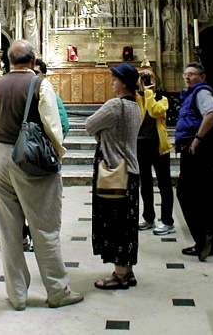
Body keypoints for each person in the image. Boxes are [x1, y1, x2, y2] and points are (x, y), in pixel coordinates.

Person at [0, 40, 82, 310]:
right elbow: (52, 126)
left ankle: (17, 295)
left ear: (8, 61)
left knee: (9, 230)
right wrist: (56, 156)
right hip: (30, 157)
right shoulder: (40, 84)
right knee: (44, 227)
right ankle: (57, 291)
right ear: (34, 61)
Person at [86, 63, 141, 289]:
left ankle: (119, 275)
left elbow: (89, 125)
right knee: (128, 222)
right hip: (131, 170)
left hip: (113, 170)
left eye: (115, 79)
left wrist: (102, 132)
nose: (112, 83)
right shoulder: (135, 106)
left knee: (114, 222)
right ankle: (126, 270)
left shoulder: (115, 105)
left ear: (124, 83)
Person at [175, 62, 213, 262]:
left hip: (197, 148)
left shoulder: (202, 92)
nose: (187, 77)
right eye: (185, 74)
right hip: (194, 147)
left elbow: (211, 113)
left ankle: (203, 239)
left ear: (202, 76)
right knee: (196, 193)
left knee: (187, 192)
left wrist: (197, 139)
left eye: (192, 74)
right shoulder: (191, 94)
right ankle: (204, 239)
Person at [136, 70, 174, 236]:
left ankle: (167, 221)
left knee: (164, 184)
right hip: (141, 144)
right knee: (145, 184)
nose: (145, 81)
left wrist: (149, 93)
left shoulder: (163, 99)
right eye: (142, 78)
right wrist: (142, 93)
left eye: (148, 78)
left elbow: (154, 111)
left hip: (159, 146)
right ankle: (149, 218)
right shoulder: (136, 99)